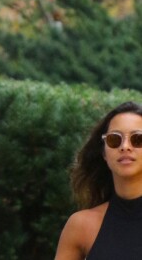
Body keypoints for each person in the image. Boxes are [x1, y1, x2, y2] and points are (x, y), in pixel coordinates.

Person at [55, 101, 142, 260]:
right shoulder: (81, 226)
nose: (125, 147)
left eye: (138, 139)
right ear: (104, 153)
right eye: (114, 139)